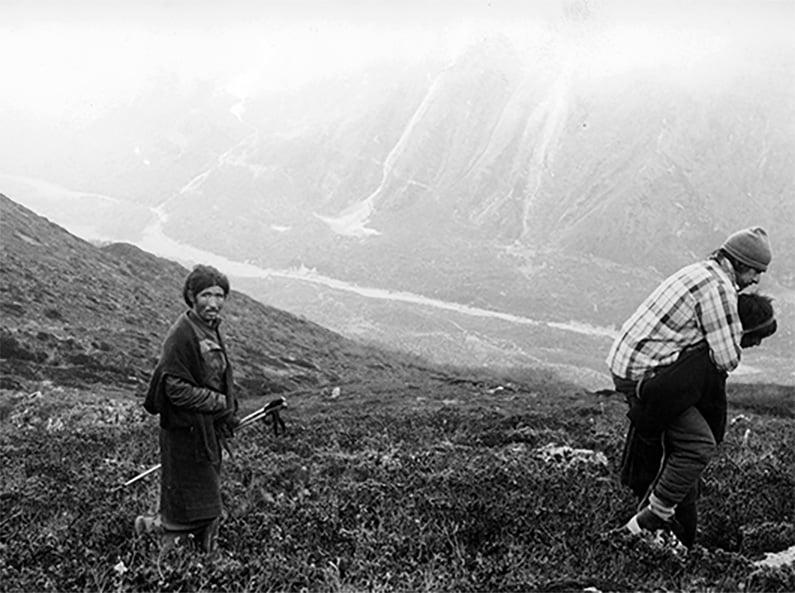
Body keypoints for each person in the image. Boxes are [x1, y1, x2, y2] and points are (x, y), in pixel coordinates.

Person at [606, 227, 773, 546]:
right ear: (739, 262)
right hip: (648, 374)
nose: (756, 280)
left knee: (677, 451)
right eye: (755, 271)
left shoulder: (701, 270)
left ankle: (649, 528)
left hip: (631, 364)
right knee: (697, 445)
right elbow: (727, 358)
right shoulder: (720, 287)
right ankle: (652, 519)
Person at [136, 264, 239, 554]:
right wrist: (218, 403)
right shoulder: (181, 334)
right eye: (206, 294)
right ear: (192, 296)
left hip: (205, 430)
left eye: (220, 295)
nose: (214, 302)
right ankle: (165, 557)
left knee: (205, 500)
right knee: (186, 505)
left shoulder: (209, 328)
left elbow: (215, 376)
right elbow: (174, 389)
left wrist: (226, 413)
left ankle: (202, 558)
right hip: (185, 434)